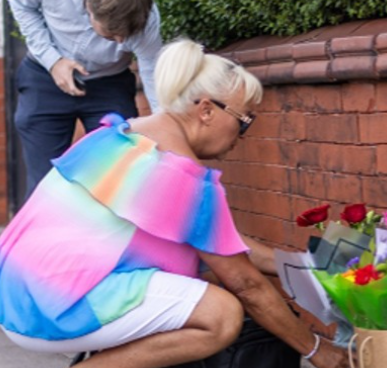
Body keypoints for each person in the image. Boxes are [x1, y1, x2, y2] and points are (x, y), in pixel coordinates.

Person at [0, 38, 349, 368]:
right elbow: (247, 284)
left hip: (16, 294)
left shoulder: (119, 135)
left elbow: (225, 248)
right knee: (219, 314)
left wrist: (307, 265)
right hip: (53, 308)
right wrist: (316, 349)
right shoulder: (183, 176)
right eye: (244, 121)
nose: (243, 136)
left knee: (195, 289)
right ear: (207, 110)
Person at [7, 0, 163, 198]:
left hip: (110, 86)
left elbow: (151, 71)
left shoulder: (146, 16)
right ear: (89, 8)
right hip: (44, 79)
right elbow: (19, 2)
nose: (122, 42)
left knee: (118, 179)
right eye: (112, 36)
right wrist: (52, 60)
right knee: (44, 186)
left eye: (126, 36)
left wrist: (163, 125)